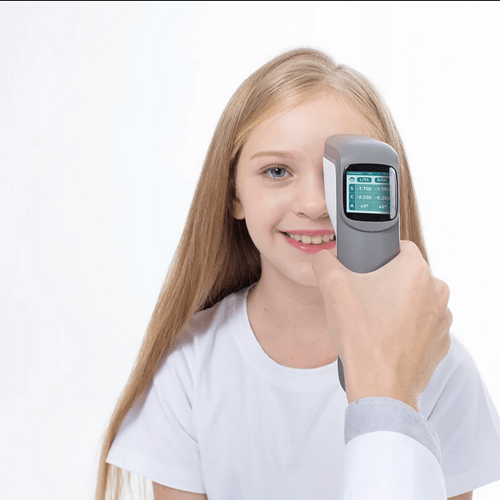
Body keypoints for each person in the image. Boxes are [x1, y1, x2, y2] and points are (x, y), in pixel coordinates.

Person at [95, 48, 500, 500]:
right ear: (234, 194)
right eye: (277, 171)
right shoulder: (189, 365)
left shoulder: (440, 365)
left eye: (339, 176)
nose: (314, 204)